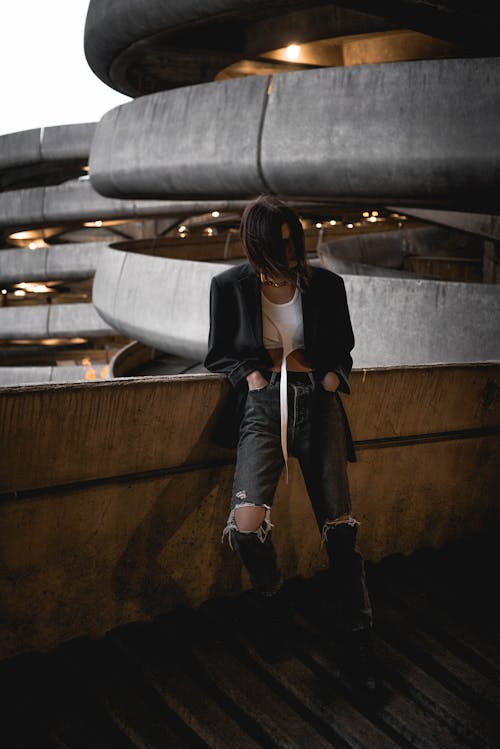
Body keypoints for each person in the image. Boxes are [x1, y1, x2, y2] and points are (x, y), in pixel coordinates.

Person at [204, 195, 378, 693]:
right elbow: (218, 353)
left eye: (293, 242)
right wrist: (254, 378)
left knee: (340, 531)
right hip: (262, 409)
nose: (289, 252)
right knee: (245, 528)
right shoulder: (229, 287)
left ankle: (358, 639)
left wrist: (327, 383)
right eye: (278, 245)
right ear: (256, 244)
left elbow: (342, 345)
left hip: (318, 404)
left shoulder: (325, 284)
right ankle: (274, 602)